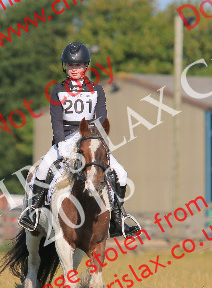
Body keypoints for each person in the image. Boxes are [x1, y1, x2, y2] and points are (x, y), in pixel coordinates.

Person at [18, 41, 140, 238]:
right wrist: (61, 144)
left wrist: (96, 141)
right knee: (42, 169)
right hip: (65, 138)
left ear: (86, 66)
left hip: (88, 138)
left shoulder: (97, 90)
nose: (74, 69)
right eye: (71, 65)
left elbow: (100, 118)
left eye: (78, 65)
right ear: (65, 66)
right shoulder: (58, 90)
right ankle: (32, 212)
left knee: (121, 173)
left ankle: (119, 219)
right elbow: (56, 120)